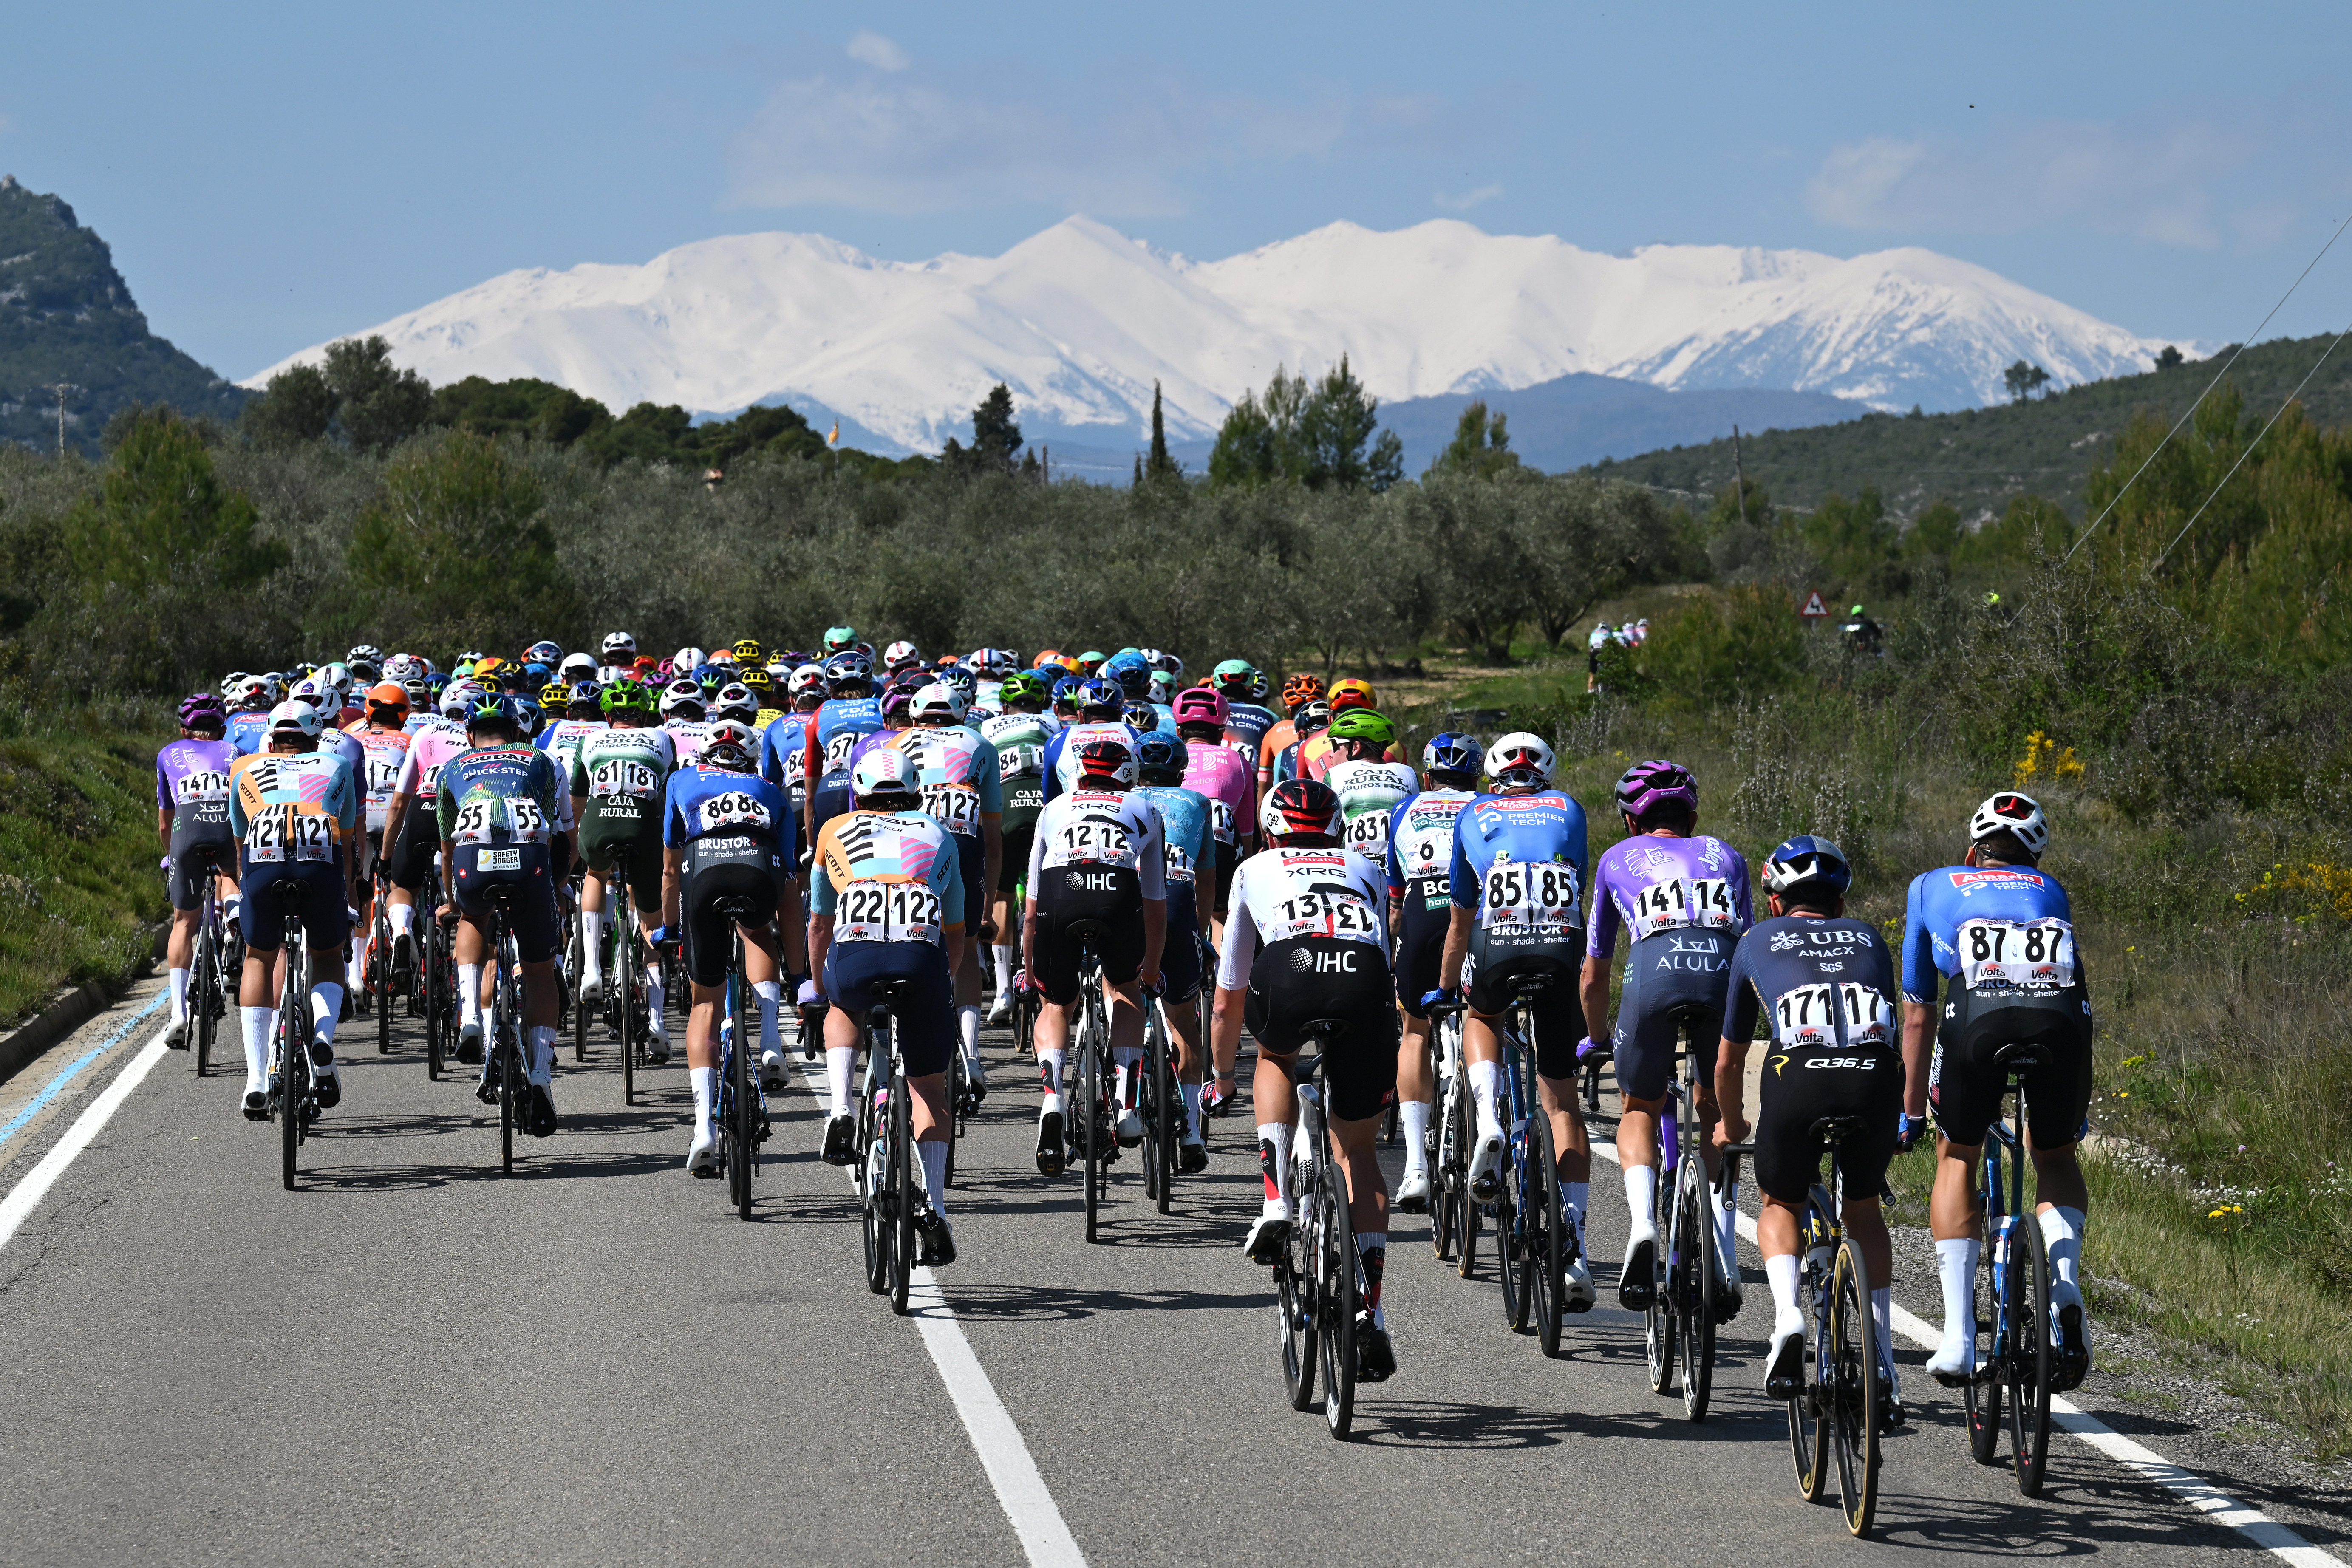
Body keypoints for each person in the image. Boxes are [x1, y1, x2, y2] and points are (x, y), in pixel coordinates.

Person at [1902, 791, 2094, 1391]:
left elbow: (1916, 1010)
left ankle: (1958, 1337)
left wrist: (1909, 1109)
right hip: (2059, 1021)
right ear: (2033, 857)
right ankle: (2063, 1287)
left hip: (1976, 1018)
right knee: (2055, 1155)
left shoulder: (1931, 883)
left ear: (1970, 849)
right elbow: (2077, 993)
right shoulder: (2050, 889)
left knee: (1955, 1151)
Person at [1213, 776, 1400, 1382]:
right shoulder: (1364, 867)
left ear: (1270, 829)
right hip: (1362, 978)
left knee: (1274, 1056)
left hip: (1291, 968)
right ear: (1336, 829)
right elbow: (1384, 957)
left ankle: (1274, 1200)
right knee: (1358, 1151)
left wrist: (1220, 1075)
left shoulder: (1255, 867)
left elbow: (1229, 990)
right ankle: (1368, 1310)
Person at [1713, 837, 1905, 1418]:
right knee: (1864, 1207)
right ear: (1840, 903)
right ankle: (1882, 1361)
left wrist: (1729, 1124)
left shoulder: (1752, 941)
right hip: (1873, 1076)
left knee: (1778, 1200)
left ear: (1774, 901)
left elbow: (1726, 1060)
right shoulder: (1871, 938)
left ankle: (1787, 1318)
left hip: (1798, 1076)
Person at [1581, 759, 1752, 1315]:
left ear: (1630, 821)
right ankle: (1722, 1252)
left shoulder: (1614, 859)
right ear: (1692, 815)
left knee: (1637, 1104)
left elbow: (1594, 971)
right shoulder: (1725, 855)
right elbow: (1750, 950)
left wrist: (1597, 1037)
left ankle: (1641, 1227)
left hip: (1652, 979)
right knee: (1716, 1109)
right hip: (1721, 979)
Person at [1432, 732, 1593, 1304]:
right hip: (1557, 946)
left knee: (1481, 1015)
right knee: (1561, 1105)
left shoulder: (1474, 811)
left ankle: (1489, 1120)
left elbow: (1459, 917)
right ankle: (1571, 1245)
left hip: (1495, 943)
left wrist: (1445, 987)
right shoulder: (1568, 808)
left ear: (1493, 771)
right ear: (1547, 769)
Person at [806, 748, 965, 1264]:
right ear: (915, 791)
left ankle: (841, 1109)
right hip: (920, 956)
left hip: (855, 949)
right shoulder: (938, 833)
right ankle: (936, 1209)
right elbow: (957, 931)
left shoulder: (835, 828)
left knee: (841, 1008)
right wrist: (944, 983)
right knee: (929, 1092)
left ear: (859, 792)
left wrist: (819, 988)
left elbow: (818, 925)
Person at [656, 716, 804, 1171]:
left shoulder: (682, 779)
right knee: (759, 928)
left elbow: (669, 866)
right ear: (751, 757)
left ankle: (703, 1128)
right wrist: (800, 977)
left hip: (703, 875)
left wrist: (669, 928)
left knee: (705, 1004)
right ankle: (773, 1037)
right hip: (758, 874)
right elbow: (790, 884)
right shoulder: (769, 789)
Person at [1022, 736, 1167, 1175]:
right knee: (1124, 991)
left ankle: (1052, 1099)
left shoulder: (1054, 808)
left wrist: (1030, 973)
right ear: (1130, 777)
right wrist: (1150, 972)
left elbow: (1030, 910)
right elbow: (1156, 903)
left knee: (1054, 1005)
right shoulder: (1145, 809)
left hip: (1060, 892)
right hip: (1117, 894)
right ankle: (1125, 1103)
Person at [438, 695, 572, 1136]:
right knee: (538, 971)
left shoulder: (453, 767)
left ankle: (472, 1018)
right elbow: (562, 835)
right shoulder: (543, 760)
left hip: (473, 861)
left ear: (470, 735)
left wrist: (451, 899)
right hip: (530, 862)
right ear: (516, 732)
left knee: (473, 920)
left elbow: (446, 847)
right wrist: (554, 888)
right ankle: (541, 1076)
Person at [226, 701, 362, 1121]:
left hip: (263, 866)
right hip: (319, 865)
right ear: (315, 737)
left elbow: (239, 849)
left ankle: (255, 1078)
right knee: (325, 954)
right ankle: (322, 1037)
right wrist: (347, 898)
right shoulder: (336, 764)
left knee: (258, 958)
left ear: (272, 737)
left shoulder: (243, 769)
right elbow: (348, 846)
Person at [1381, 731, 1481, 1208]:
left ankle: (1417, 1167)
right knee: (1485, 1020)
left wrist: (1398, 949)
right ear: (1476, 777)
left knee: (1414, 1031)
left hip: (1423, 908)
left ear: (1426, 777)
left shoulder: (1406, 809)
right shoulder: (1487, 807)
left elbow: (1395, 902)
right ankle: (1488, 1121)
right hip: (1478, 915)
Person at [898, 682, 1003, 1099]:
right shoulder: (980, 744)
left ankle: (899, 1047)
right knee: (967, 949)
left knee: (906, 940)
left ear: (915, 714)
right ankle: (972, 1053)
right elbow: (993, 840)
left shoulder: (898, 743)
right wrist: (987, 910)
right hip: (964, 848)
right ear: (961, 713)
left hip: (913, 848)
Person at [569, 678, 679, 1059]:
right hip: (645, 826)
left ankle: (591, 973)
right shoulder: (663, 738)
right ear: (647, 711)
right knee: (651, 927)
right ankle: (657, 1023)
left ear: (607, 714)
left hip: (600, 823)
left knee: (596, 875)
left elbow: (577, 800)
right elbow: (670, 793)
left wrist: (576, 845)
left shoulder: (591, 741)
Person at [1132, 730, 1215, 1170]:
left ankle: (1123, 1094)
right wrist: (1199, 930)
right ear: (1181, 771)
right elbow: (1206, 879)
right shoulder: (1197, 803)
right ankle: (1194, 1132)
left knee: (1122, 996)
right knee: (1184, 1017)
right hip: (1180, 902)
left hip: (1131, 902)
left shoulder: (1124, 800)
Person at [158, 694, 238, 1049]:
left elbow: (165, 822)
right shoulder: (236, 753)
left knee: (183, 923)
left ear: (183, 730)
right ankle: (234, 926)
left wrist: (170, 857)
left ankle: (178, 1013)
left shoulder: (167, 754)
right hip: (226, 830)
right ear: (222, 728)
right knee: (231, 878)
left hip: (185, 833)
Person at [979, 671, 1057, 1022]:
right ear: (1041, 704)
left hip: (1007, 807)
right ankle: (1049, 978)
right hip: (1044, 809)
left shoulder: (988, 727)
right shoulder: (1054, 725)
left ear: (1005, 706)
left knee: (1000, 896)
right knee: (1049, 896)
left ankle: (1003, 991)